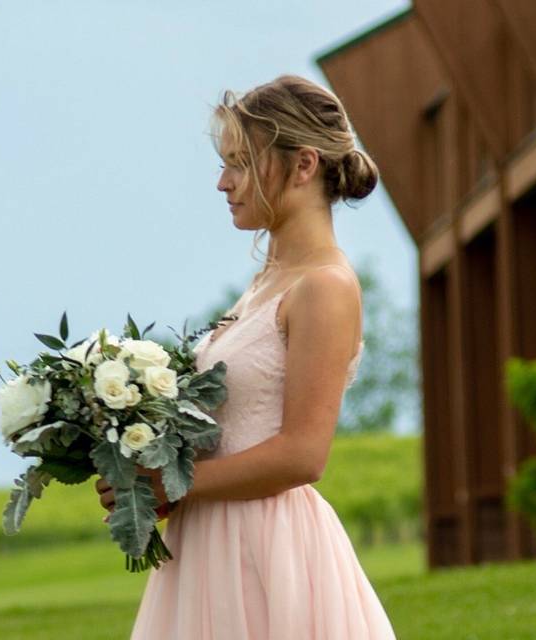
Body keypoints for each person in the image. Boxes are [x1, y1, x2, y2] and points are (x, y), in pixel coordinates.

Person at [95, 74, 397, 639]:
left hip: (268, 549)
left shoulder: (325, 287)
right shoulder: (267, 280)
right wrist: (143, 469)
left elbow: (303, 455)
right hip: (208, 542)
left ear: (303, 165)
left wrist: (175, 484)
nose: (222, 182)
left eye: (239, 162)